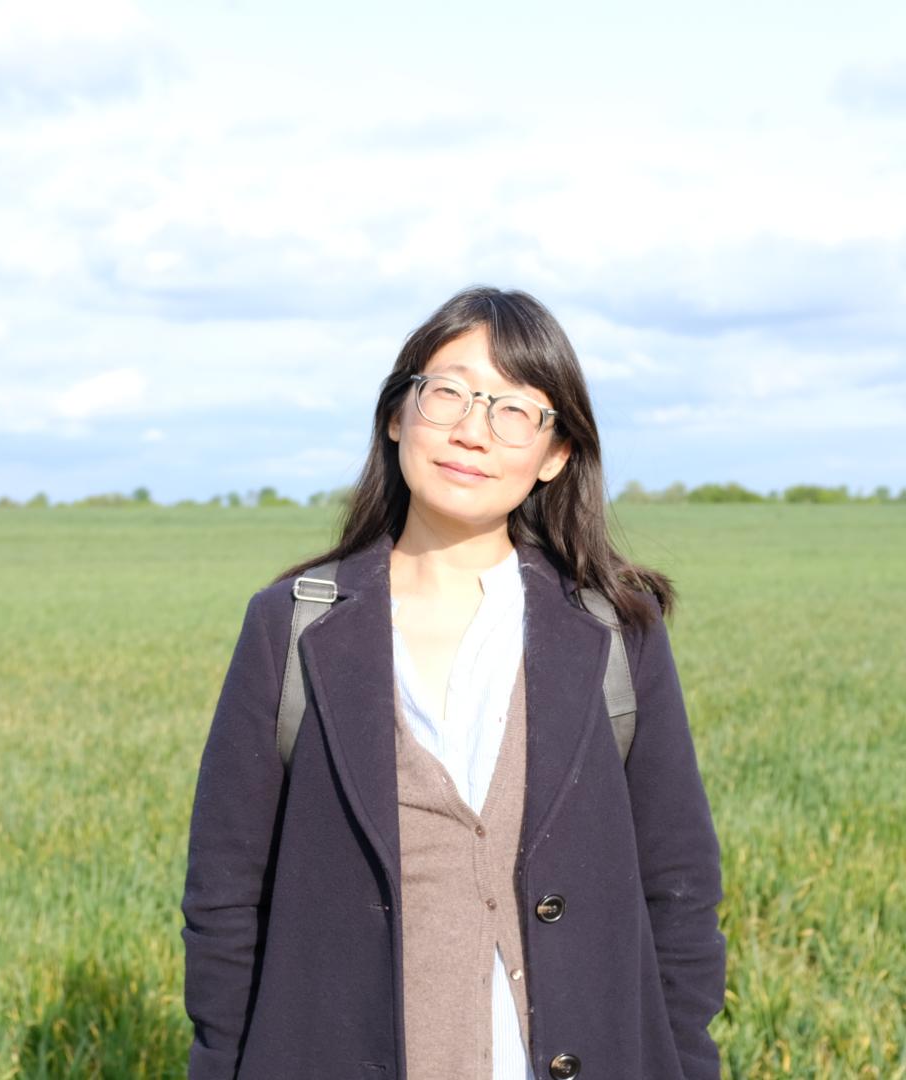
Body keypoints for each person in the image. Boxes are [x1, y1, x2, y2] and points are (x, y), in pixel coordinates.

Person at [181, 286, 726, 1080]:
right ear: (398, 414)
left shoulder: (614, 632)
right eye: (450, 394)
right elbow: (225, 896)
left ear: (556, 454)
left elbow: (679, 890)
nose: (473, 431)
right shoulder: (293, 627)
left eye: (514, 410)